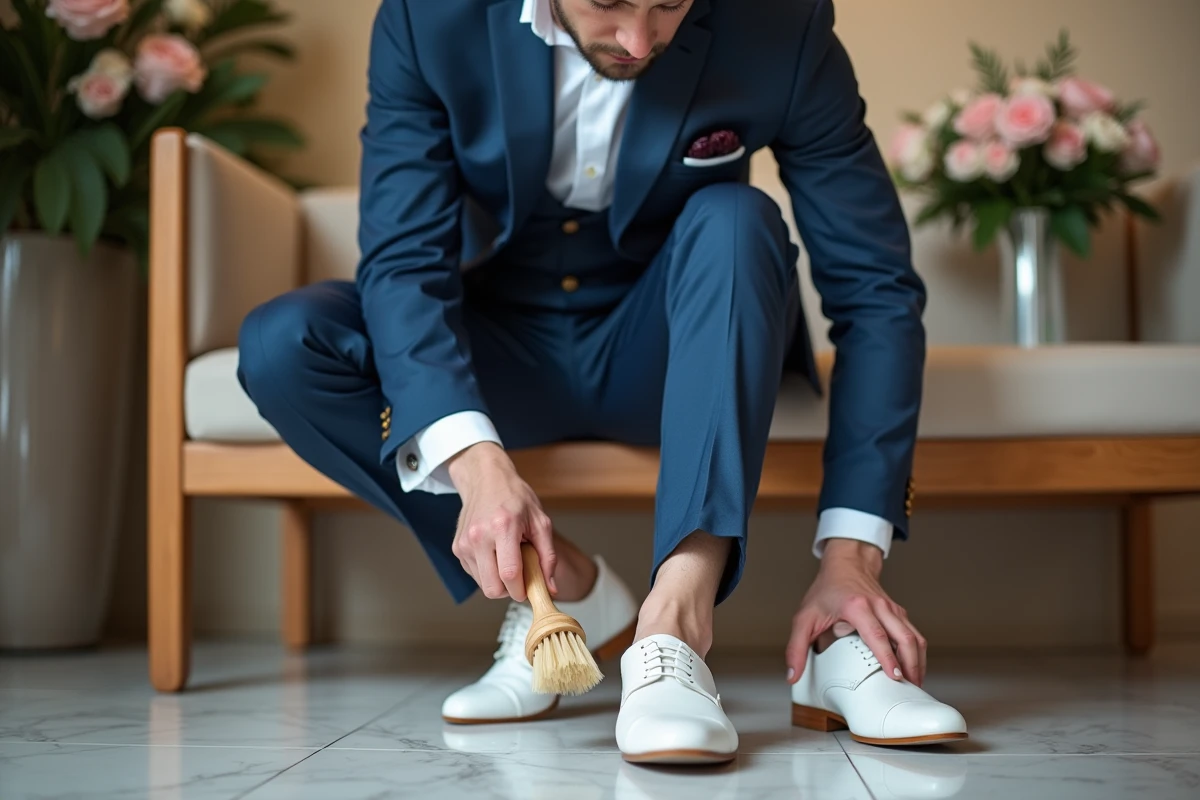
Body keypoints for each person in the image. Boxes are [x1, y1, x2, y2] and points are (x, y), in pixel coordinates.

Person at [236, 0, 967, 765]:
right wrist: (475, 464)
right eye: (609, 2)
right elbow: (404, 262)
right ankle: (566, 587)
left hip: (674, 356)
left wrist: (852, 558)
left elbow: (874, 287)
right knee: (282, 345)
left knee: (736, 217)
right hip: (498, 359)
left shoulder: (780, 22)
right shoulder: (429, 17)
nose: (639, 40)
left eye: (669, 4)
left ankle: (673, 627)